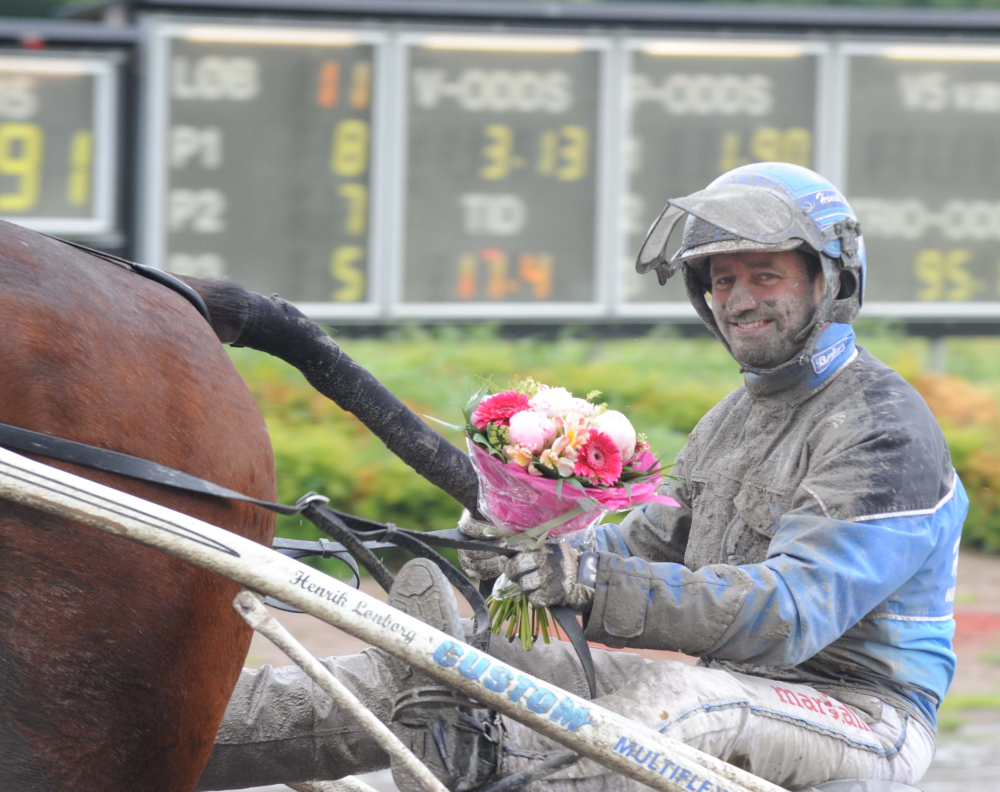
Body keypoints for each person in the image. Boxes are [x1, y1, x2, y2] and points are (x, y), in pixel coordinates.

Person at [196, 163, 964, 792]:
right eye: (722, 281)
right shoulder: (730, 421)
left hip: (860, 715)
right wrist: (521, 549)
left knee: (677, 704)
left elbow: (789, 614)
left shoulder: (883, 425)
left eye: (764, 275)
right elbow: (640, 551)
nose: (737, 300)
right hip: (742, 692)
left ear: (830, 282)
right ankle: (144, 736)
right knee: (438, 662)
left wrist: (590, 584)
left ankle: (489, 760)